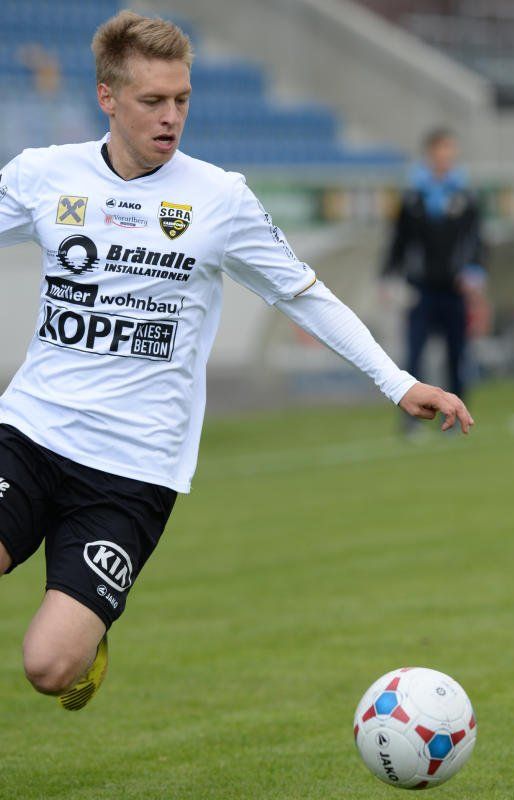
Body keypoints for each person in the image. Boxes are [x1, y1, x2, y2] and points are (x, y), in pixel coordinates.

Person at [0, 12, 473, 712]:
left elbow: (303, 294)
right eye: (152, 100)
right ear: (107, 97)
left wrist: (397, 382)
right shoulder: (44, 174)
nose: (171, 116)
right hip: (30, 433)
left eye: (182, 99)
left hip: (132, 468)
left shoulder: (218, 198)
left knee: (48, 666)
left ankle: (87, 639)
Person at [382, 128, 484, 422]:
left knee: (457, 354)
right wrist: (389, 275)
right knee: (414, 354)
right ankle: (411, 419)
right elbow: (399, 240)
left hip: (455, 289)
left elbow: (476, 239)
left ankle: (457, 413)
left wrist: (475, 271)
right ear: (430, 153)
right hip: (421, 288)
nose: (445, 155)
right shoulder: (413, 196)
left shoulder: (465, 194)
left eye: (449, 149)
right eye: (440, 149)